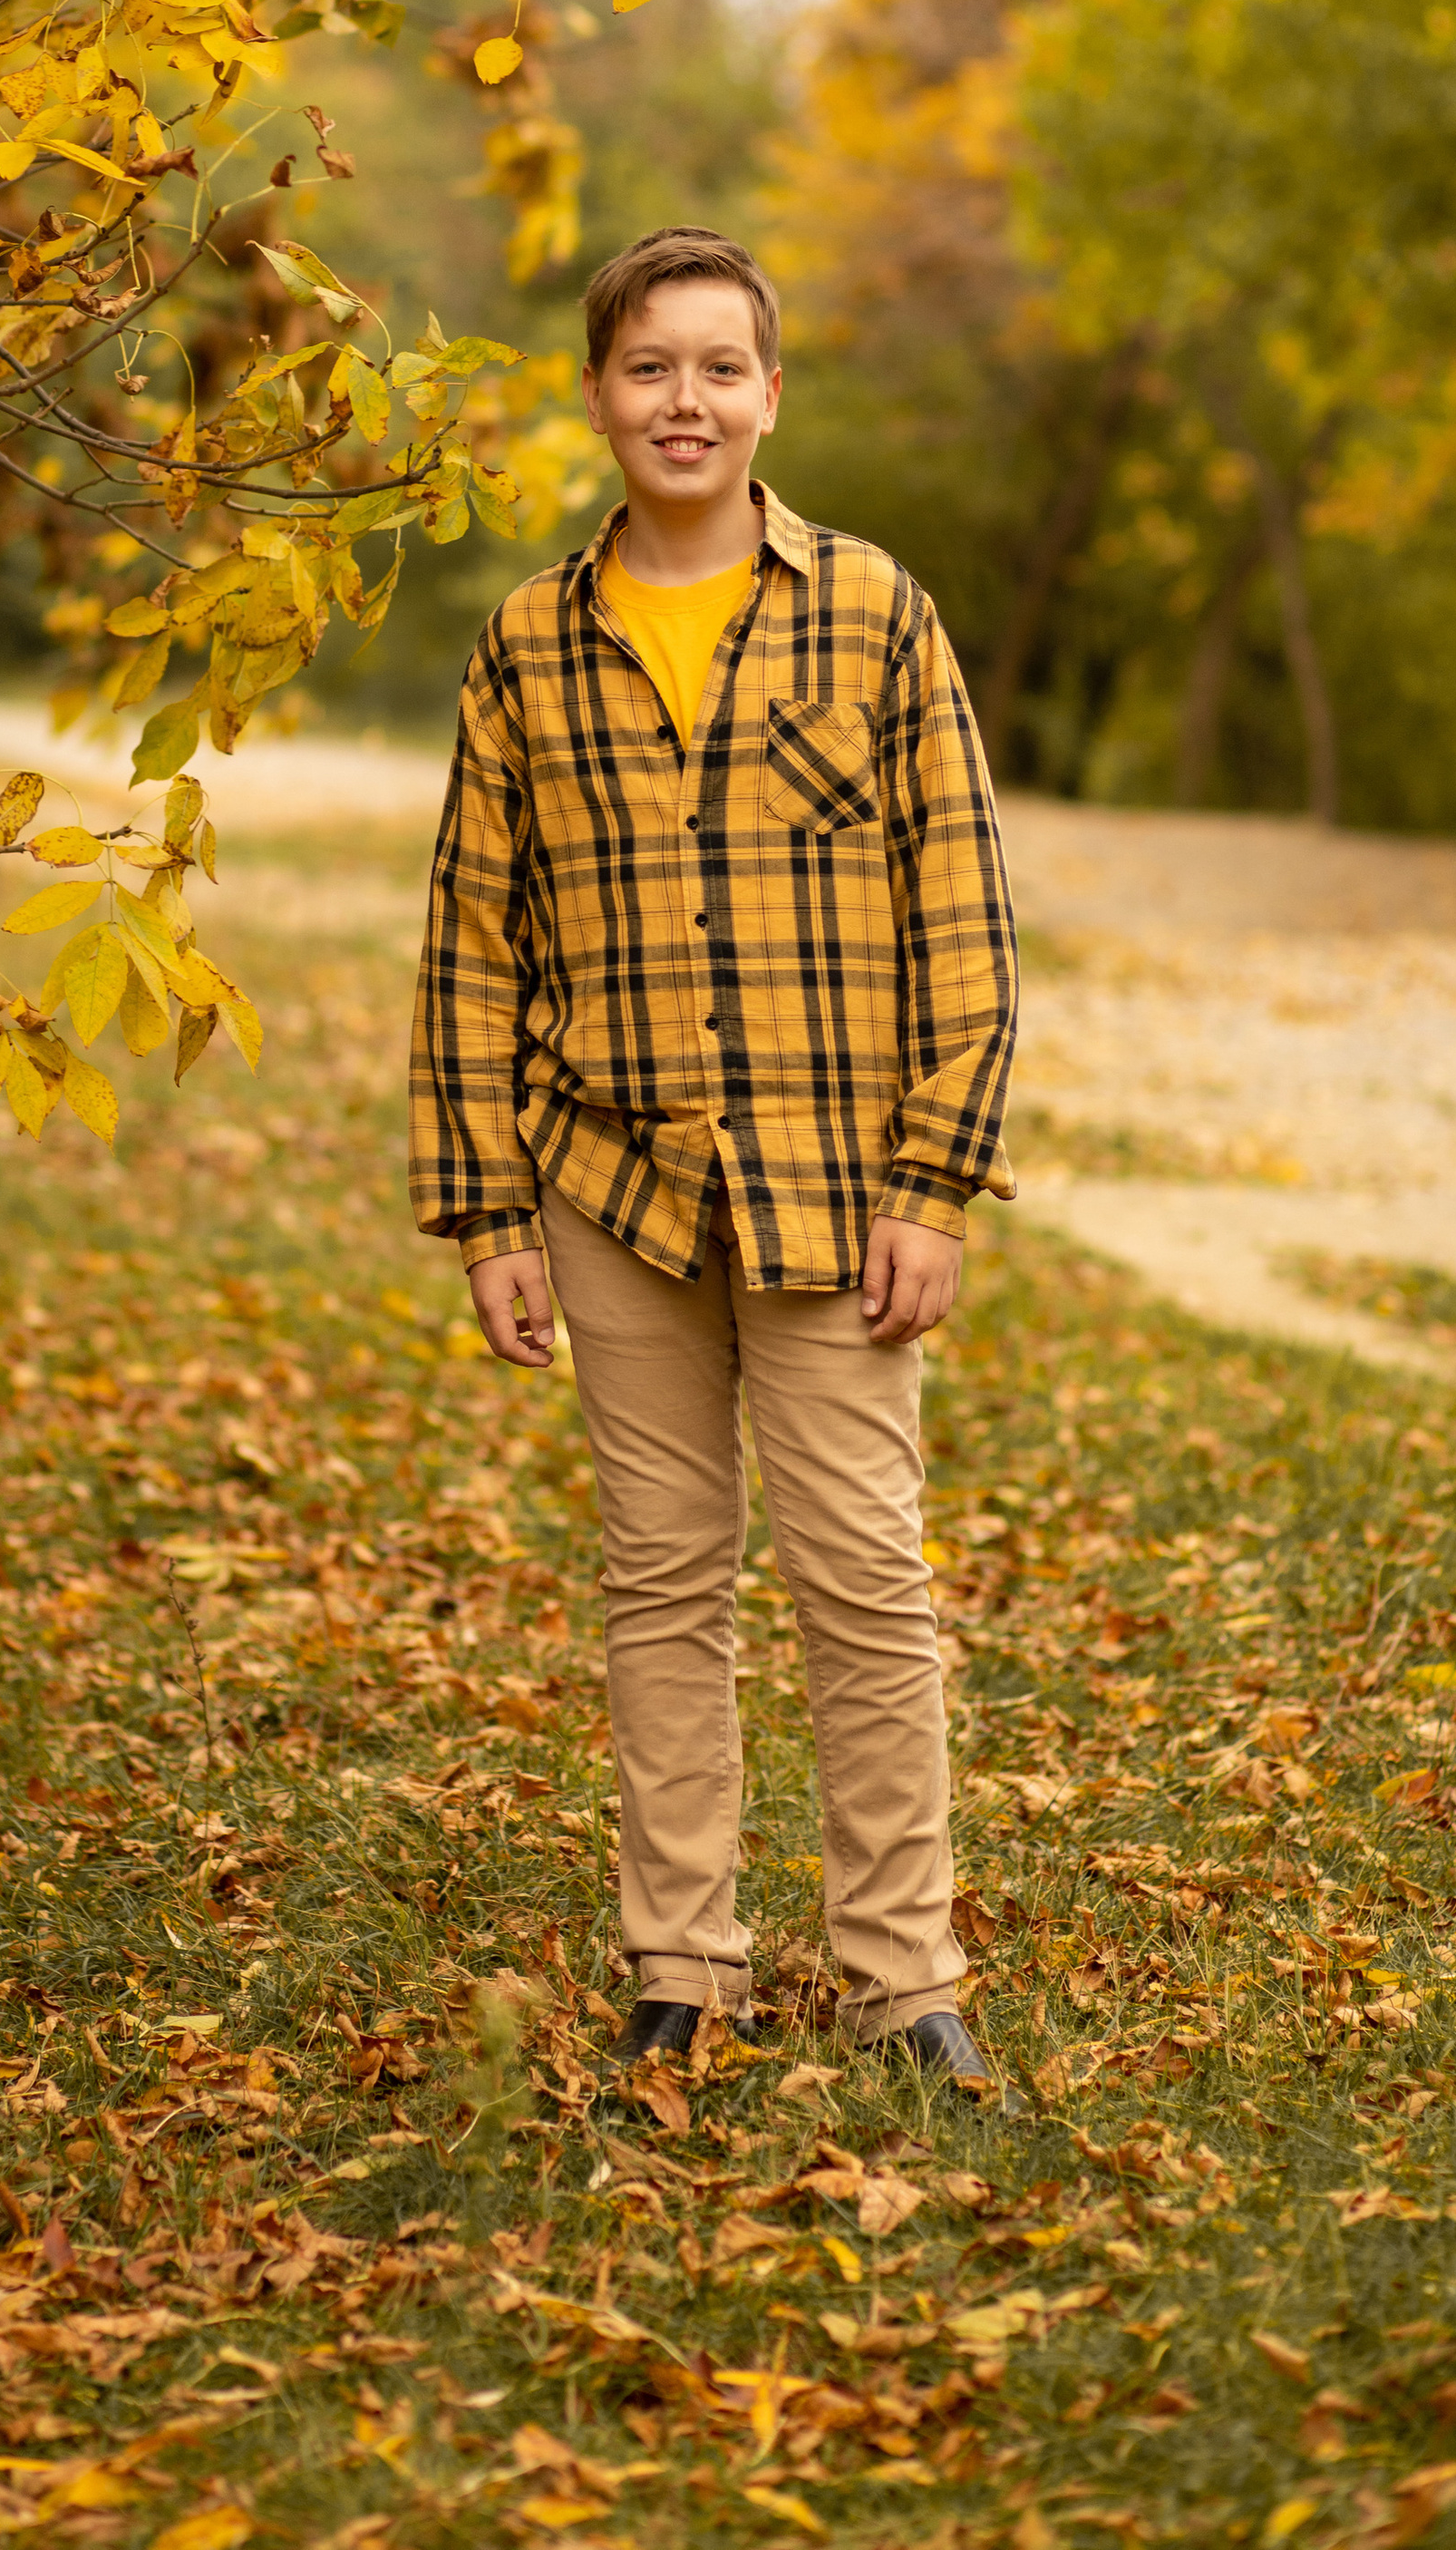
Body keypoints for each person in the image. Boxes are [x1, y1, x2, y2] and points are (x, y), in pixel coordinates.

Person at [409, 226, 1023, 2096]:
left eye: (719, 368)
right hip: (614, 1189)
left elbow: (961, 912)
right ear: (598, 394)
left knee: (859, 1576)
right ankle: (681, 1959)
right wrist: (483, 1207)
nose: (684, 399)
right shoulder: (529, 639)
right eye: (647, 367)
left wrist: (932, 1183)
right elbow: (468, 936)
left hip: (840, 1197)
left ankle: (904, 1971)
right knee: (661, 1579)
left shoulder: (869, 612)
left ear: (770, 394)